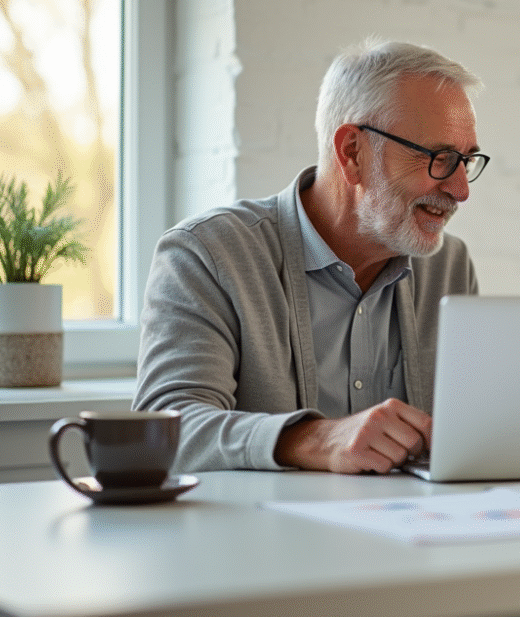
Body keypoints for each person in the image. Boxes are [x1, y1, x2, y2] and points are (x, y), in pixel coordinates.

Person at [134, 39, 488, 476]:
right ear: (352, 152)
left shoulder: (448, 267)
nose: (461, 189)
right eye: (438, 158)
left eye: (467, 161)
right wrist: (314, 438)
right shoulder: (206, 253)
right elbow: (164, 429)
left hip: (411, 535)